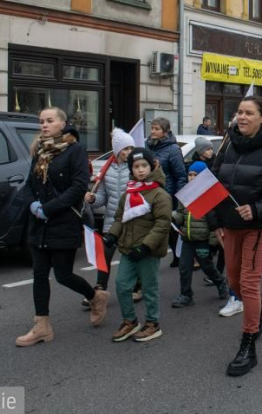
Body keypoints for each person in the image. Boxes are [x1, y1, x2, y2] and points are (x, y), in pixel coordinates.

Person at [207, 96, 262, 377]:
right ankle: (260, 313)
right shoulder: (227, 146)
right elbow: (213, 183)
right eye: (239, 112)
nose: (241, 117)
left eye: (248, 113)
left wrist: (257, 209)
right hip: (230, 226)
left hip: (260, 226)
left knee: (247, 282)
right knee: (233, 281)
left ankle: (248, 343)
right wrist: (214, 222)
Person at [16, 107, 109, 347]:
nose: (44, 125)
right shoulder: (41, 149)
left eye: (49, 121)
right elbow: (29, 184)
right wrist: (33, 205)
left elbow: (79, 187)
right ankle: (41, 326)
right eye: (41, 121)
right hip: (39, 224)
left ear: (62, 123)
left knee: (63, 275)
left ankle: (95, 297)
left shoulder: (74, 150)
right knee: (39, 274)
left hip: (63, 221)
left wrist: (49, 208)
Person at [105, 148, 172, 342]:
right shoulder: (129, 192)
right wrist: (112, 235)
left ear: (152, 166)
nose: (141, 170)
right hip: (128, 249)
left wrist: (145, 247)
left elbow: (162, 225)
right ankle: (130, 321)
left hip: (147, 252)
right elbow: (120, 218)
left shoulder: (160, 195)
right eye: (136, 166)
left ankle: (153, 323)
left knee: (149, 288)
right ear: (131, 169)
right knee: (122, 285)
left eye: (144, 165)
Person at [83, 129, 141, 306]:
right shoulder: (107, 170)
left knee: (133, 255)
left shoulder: (136, 168)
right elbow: (103, 198)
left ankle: (138, 287)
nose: (129, 152)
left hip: (132, 220)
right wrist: (93, 200)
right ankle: (99, 290)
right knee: (105, 255)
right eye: (125, 149)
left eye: (131, 148)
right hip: (111, 222)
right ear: (117, 150)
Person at [171, 161, 229, 308]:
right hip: (188, 238)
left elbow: (213, 221)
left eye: (195, 175)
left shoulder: (207, 195)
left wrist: (211, 240)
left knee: (207, 266)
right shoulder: (186, 194)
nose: (191, 177)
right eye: (189, 174)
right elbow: (180, 214)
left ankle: (220, 281)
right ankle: (186, 295)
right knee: (184, 267)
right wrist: (173, 217)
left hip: (202, 239)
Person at [146, 117, 187, 267]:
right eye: (152, 128)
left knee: (169, 228)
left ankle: (178, 255)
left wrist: (178, 198)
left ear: (165, 131)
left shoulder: (173, 149)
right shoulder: (148, 145)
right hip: (149, 193)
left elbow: (180, 175)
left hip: (166, 194)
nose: (153, 132)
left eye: (157, 129)